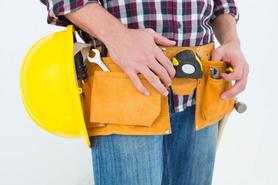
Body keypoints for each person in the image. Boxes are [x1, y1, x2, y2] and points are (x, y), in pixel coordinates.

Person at [40, 0, 249, 185]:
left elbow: (222, 4)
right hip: (126, 88)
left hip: (201, 92)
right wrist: (118, 37)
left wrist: (231, 40)